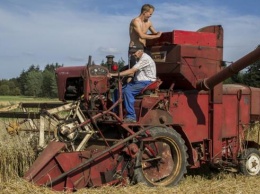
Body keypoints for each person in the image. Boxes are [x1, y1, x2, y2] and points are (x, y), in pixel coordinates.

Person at [108, 47, 157, 123]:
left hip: (147, 81)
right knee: (117, 91)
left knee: (127, 91)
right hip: (138, 82)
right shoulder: (138, 58)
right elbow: (132, 71)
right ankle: (116, 113)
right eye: (132, 53)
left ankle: (131, 116)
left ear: (141, 51)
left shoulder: (145, 59)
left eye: (134, 52)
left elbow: (132, 70)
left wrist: (115, 74)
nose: (133, 54)